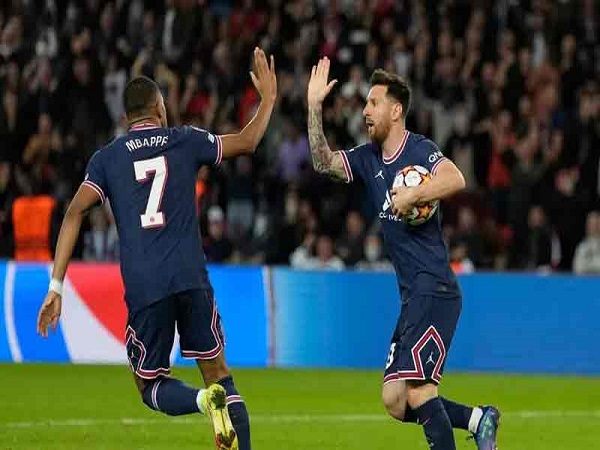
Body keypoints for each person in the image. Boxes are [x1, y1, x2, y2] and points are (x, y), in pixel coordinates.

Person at [36, 47, 277, 450]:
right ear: (159, 108)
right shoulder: (185, 139)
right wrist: (267, 100)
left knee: (149, 385)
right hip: (190, 275)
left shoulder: (108, 159)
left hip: (147, 284)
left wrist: (56, 287)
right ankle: (219, 404)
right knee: (220, 373)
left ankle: (202, 402)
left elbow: (74, 213)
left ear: (127, 117)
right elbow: (248, 141)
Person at [306, 57, 500, 450]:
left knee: (420, 391)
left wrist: (414, 194)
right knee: (395, 401)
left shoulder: (419, 149)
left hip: (435, 288)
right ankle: (478, 420)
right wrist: (313, 107)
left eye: (373, 103)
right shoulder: (368, 158)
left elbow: (455, 178)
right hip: (413, 296)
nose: (365, 111)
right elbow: (323, 162)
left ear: (396, 111)